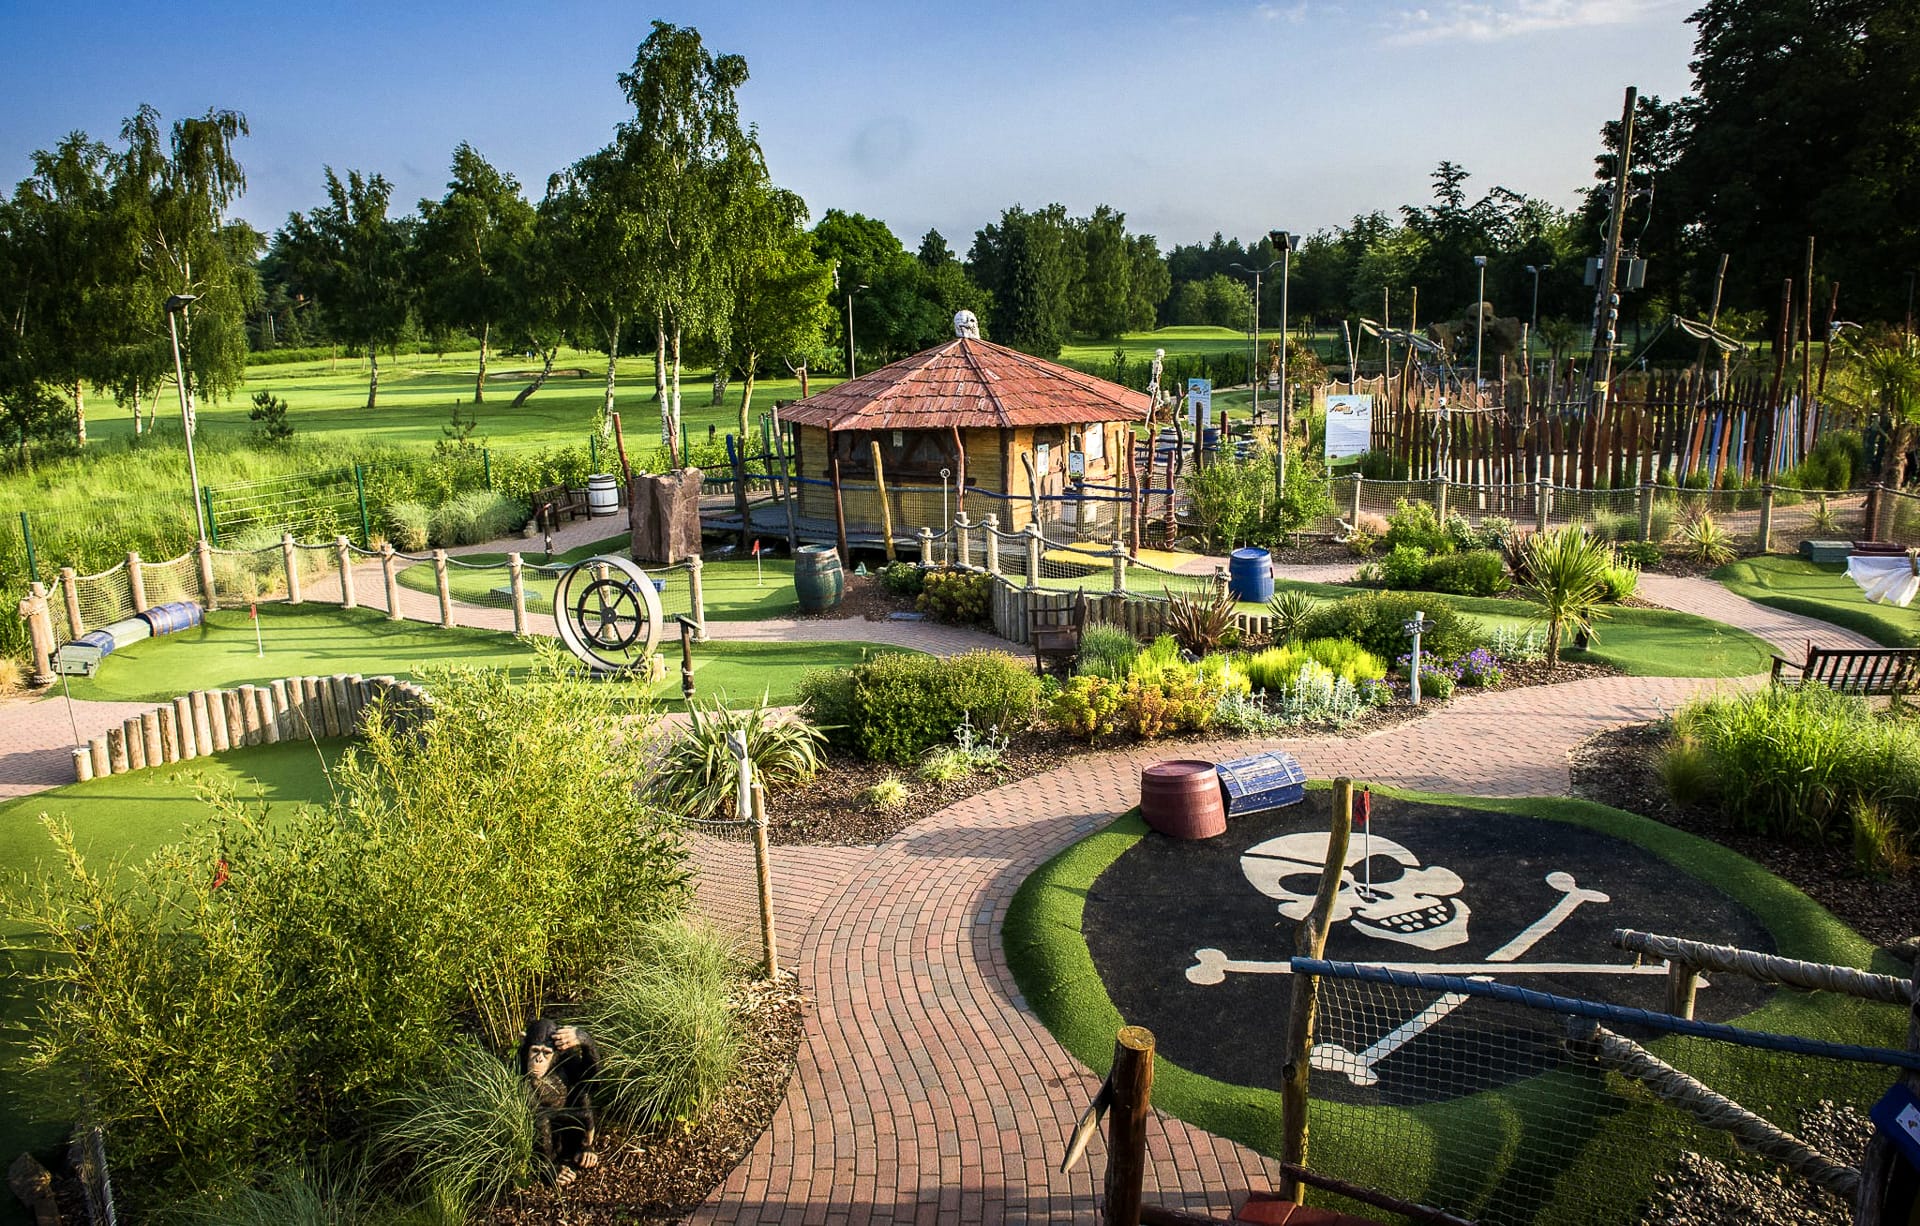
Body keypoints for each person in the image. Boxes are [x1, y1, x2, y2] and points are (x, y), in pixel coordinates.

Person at [519, 1018, 601, 1184]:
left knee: (582, 1093)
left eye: (545, 1053)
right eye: (535, 1051)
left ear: (556, 1053)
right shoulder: (517, 1069)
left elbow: (593, 1082)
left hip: (567, 1132)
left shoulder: (564, 1061)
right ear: (525, 1045)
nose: (539, 1059)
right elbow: (538, 1117)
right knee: (542, 1120)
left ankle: (583, 1146)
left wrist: (586, 1042)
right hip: (540, 1144)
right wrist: (583, 1116)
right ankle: (545, 1169)